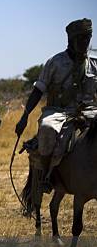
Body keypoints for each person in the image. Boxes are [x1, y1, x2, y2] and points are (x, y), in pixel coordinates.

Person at [15, 18, 96, 191]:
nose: (85, 43)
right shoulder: (55, 62)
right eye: (80, 39)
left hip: (90, 110)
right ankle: (46, 176)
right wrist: (25, 116)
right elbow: (38, 90)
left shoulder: (94, 63)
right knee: (47, 129)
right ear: (71, 40)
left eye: (87, 39)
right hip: (59, 112)